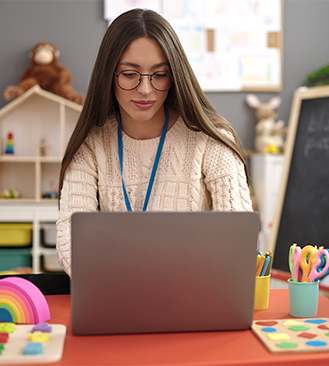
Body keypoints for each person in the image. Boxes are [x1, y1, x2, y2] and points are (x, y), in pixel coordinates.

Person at [55, 8, 253, 277]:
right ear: (108, 75)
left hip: (196, 298)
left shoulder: (211, 139)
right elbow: (71, 238)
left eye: (159, 75)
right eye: (129, 74)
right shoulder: (91, 144)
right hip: (116, 295)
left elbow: (238, 240)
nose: (145, 89)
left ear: (174, 76)